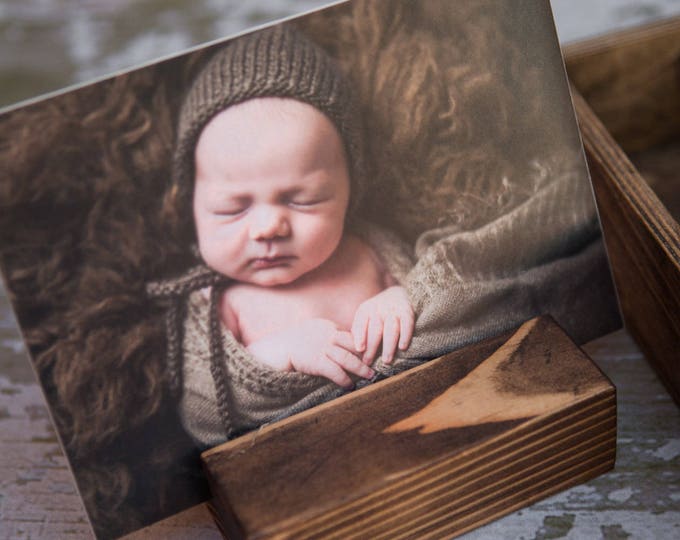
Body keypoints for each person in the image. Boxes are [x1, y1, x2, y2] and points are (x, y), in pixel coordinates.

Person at [148, 23, 416, 447]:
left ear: (350, 191)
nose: (268, 227)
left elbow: (448, 301)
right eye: (231, 209)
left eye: (303, 200)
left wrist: (403, 301)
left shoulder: (372, 251)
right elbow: (202, 417)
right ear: (192, 209)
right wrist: (277, 357)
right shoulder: (215, 302)